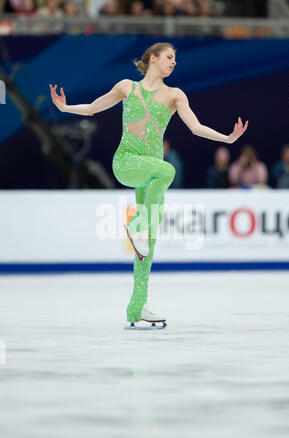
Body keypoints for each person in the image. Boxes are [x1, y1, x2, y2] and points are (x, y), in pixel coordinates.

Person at [49, 42, 248, 326]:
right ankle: (137, 224)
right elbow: (93, 108)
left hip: (150, 175)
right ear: (153, 59)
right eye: (169, 57)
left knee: (148, 246)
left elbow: (196, 127)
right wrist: (65, 107)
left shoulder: (175, 95)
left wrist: (227, 138)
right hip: (127, 163)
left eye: (175, 59)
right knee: (167, 171)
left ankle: (136, 307)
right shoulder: (127, 87)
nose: (173, 63)